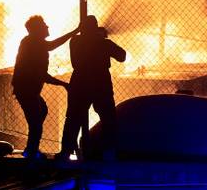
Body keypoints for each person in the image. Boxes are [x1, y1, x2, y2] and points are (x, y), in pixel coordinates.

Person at [56, 15, 126, 160]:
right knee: (108, 118)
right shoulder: (104, 43)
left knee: (73, 118)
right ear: (95, 28)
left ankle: (66, 152)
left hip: (80, 82)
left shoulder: (75, 41)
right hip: (101, 82)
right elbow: (122, 56)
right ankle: (108, 152)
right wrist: (102, 38)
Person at [11, 15, 77, 159]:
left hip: (28, 90)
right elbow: (42, 70)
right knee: (36, 122)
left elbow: (42, 69)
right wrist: (74, 32)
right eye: (44, 25)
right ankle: (31, 153)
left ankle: (31, 148)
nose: (47, 27)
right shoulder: (33, 43)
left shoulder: (33, 43)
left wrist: (62, 84)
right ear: (37, 29)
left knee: (41, 112)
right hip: (27, 90)